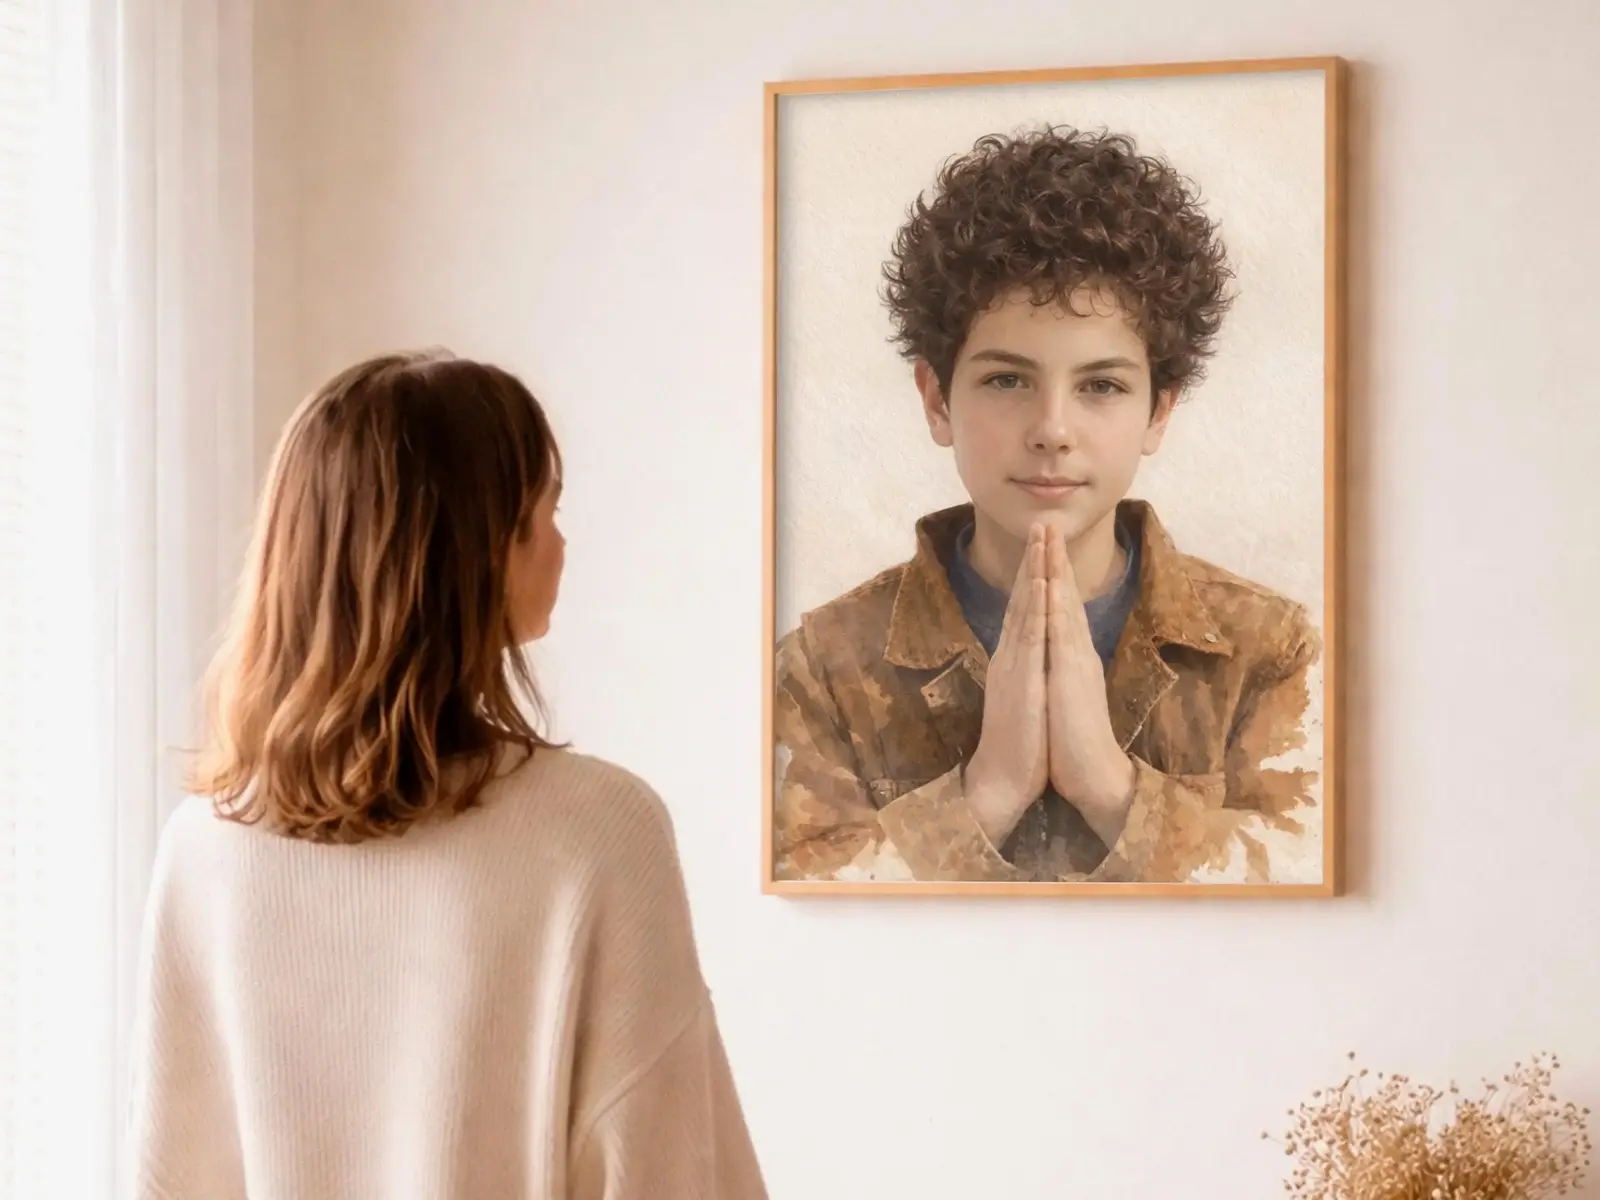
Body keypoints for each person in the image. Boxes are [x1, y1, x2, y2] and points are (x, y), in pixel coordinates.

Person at [127, 351, 768, 1198]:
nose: (561, 544)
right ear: (475, 550)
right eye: (544, 512)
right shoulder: (598, 832)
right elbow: (666, 1171)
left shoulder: (205, 849)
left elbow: (171, 1176)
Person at [773, 127, 1322, 886]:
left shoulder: (1271, 651)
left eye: (1101, 386)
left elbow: (1315, 891)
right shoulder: (823, 667)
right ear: (937, 400)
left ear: (1160, 412)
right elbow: (794, 921)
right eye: (1006, 381)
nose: (1052, 431)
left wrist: (1109, 786)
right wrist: (987, 790)